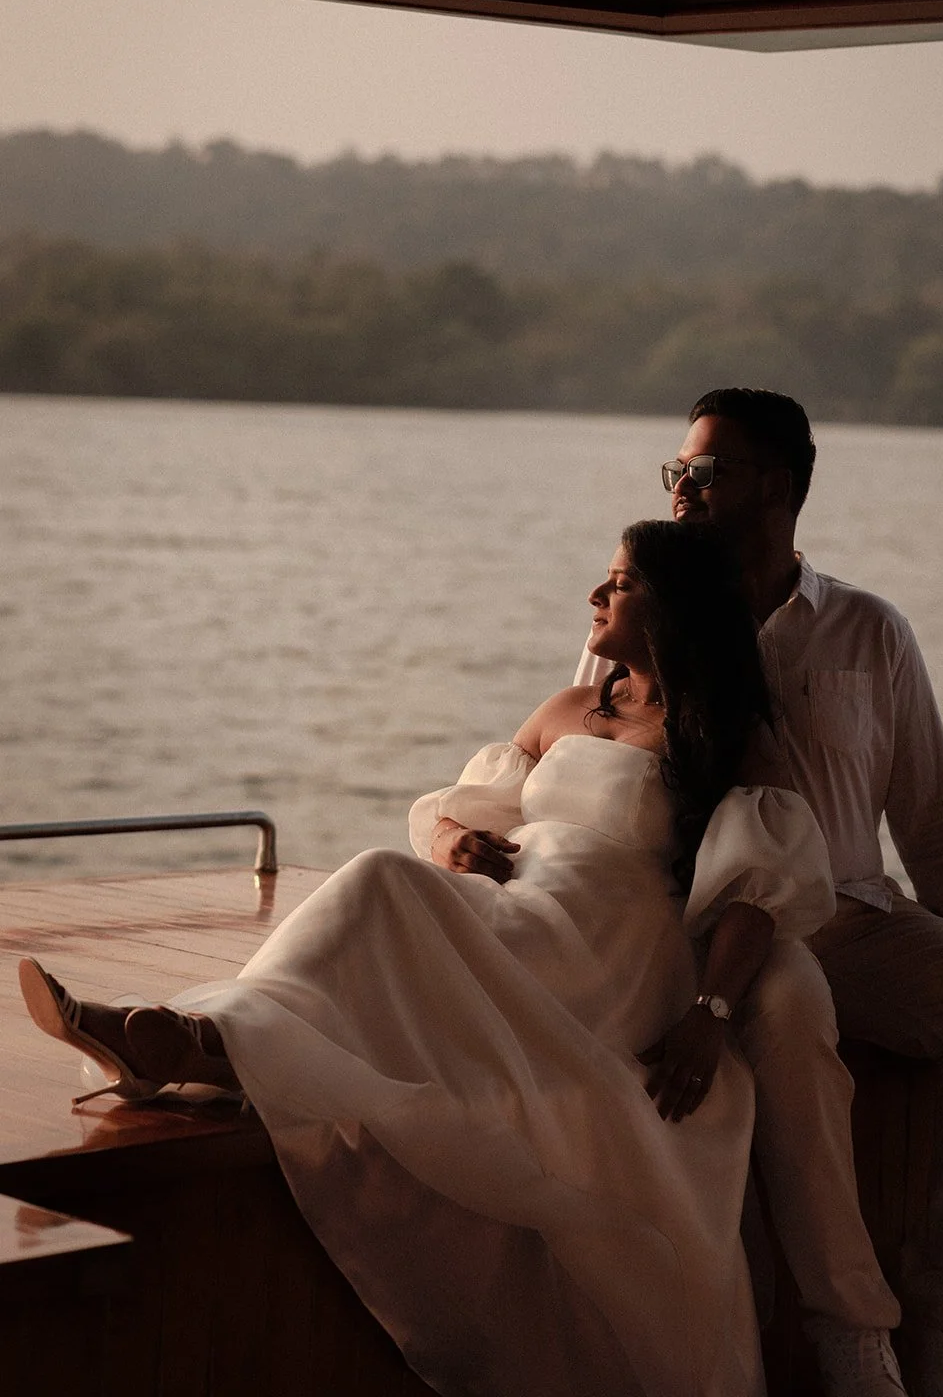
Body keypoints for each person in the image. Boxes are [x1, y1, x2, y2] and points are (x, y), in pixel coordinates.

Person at [20, 520, 837, 1397]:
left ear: (672, 605)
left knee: (376, 883)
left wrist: (708, 1016)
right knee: (386, 880)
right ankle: (195, 1040)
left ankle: (199, 1044)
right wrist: (453, 837)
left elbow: (756, 890)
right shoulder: (568, 710)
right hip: (521, 904)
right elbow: (466, 804)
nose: (595, 597)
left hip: (609, 952)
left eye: (619, 583)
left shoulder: (722, 736)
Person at [577, 390, 943, 1397]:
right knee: (788, 1014)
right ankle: (847, 1333)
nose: (681, 490)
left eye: (705, 473)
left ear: (777, 487)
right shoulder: (643, 609)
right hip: (713, 926)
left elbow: (934, 822)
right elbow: (585, 751)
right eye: (676, 472)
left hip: (855, 917)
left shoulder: (868, 632)